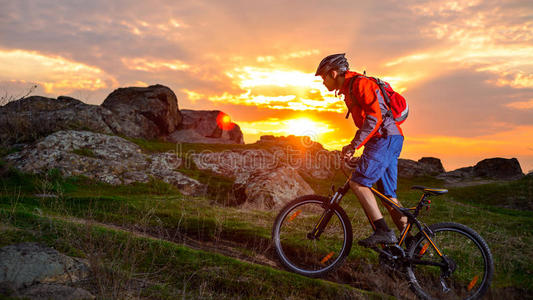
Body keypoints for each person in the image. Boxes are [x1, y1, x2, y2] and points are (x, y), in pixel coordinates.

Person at [315, 53, 407, 247]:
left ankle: (383, 231)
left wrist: (353, 145)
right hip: (388, 138)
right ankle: (414, 243)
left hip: (383, 138)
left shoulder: (360, 84)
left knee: (358, 183)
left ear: (333, 73)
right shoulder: (349, 89)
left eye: (324, 77)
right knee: (388, 196)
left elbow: (374, 118)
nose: (323, 82)